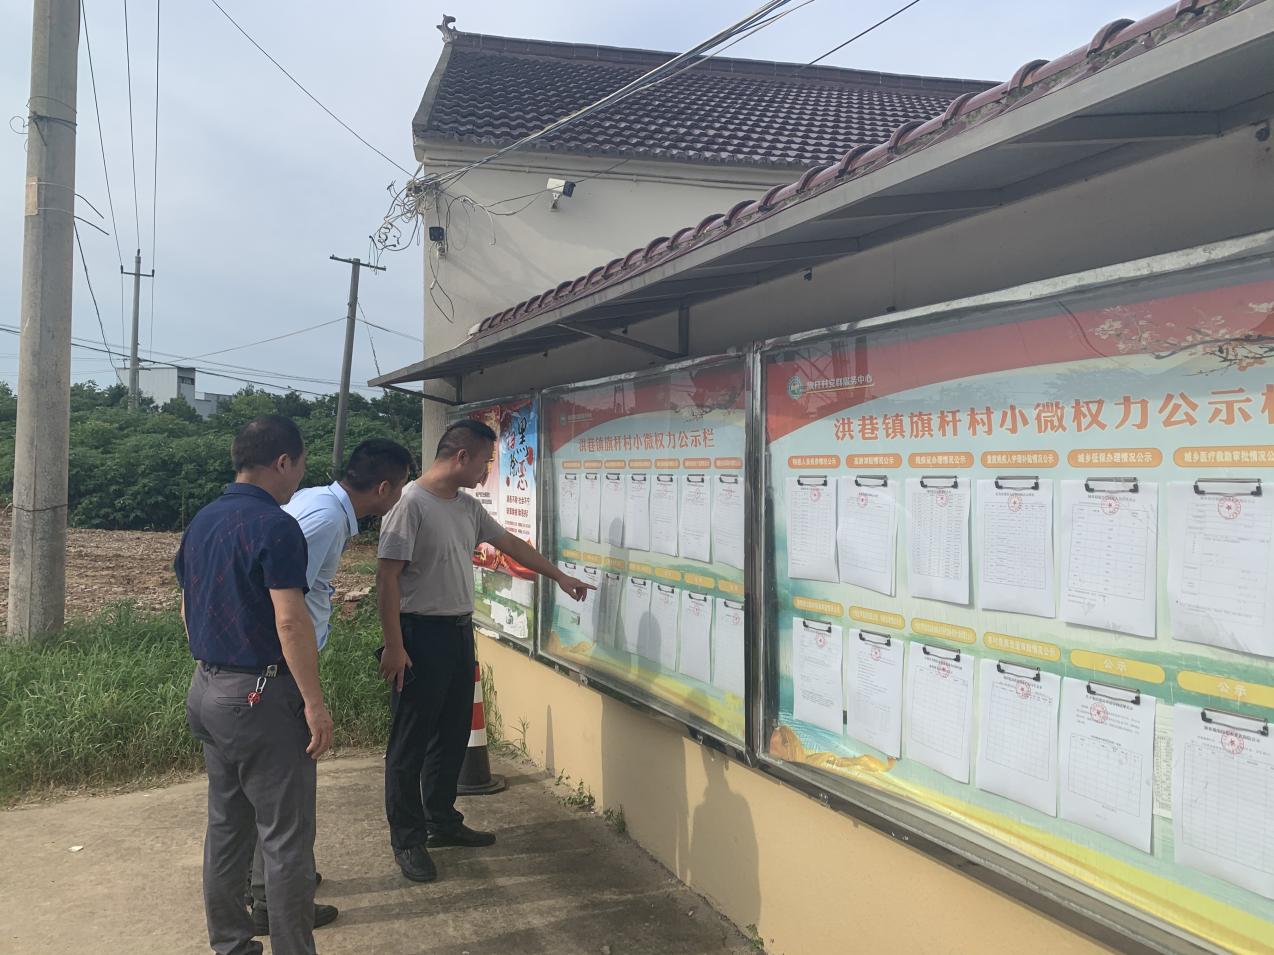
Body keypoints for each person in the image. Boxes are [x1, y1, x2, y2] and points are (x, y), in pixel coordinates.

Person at [376, 418, 592, 883]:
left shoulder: (467, 507)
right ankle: (408, 839)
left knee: (452, 734)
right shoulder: (409, 505)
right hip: (417, 636)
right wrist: (394, 645)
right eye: (486, 462)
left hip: (457, 632)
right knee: (410, 743)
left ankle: (441, 820)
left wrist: (559, 576)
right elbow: (386, 577)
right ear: (462, 457)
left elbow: (508, 543)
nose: (487, 471)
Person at [176, 415, 334, 955]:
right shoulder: (275, 525)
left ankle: (232, 946)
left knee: (227, 826)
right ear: (283, 462)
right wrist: (314, 704)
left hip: (207, 687)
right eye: (301, 465)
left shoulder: (203, 520)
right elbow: (290, 621)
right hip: (260, 697)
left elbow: (188, 606)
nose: (300, 478)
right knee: (286, 837)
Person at [244, 438, 415, 935]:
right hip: (282, 670)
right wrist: (310, 696)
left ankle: (280, 880)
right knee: (287, 799)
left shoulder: (321, 505)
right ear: (383, 488)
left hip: (274, 667)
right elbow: (283, 603)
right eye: (401, 487)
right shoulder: (323, 519)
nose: (400, 497)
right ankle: (275, 899)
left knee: (272, 795)